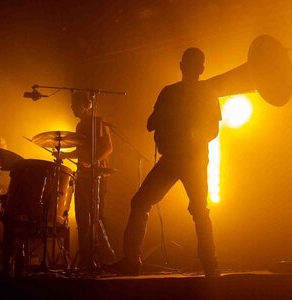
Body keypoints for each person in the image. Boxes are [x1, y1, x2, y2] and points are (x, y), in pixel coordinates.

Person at [106, 47, 222, 277]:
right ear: (202, 68)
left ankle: (131, 261)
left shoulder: (169, 92)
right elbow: (212, 131)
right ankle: (210, 264)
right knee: (198, 210)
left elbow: (151, 124)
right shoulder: (206, 93)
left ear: (181, 65)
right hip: (191, 159)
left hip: (179, 159)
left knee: (142, 203)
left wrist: (175, 126)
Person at [61, 91, 114, 268]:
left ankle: (106, 257)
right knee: (82, 218)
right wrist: (63, 153)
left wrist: (93, 161)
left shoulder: (98, 122)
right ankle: (86, 259)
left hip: (97, 176)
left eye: (74, 105)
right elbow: (79, 151)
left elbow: (108, 148)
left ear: (86, 105)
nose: (71, 108)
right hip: (82, 177)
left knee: (97, 217)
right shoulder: (79, 126)